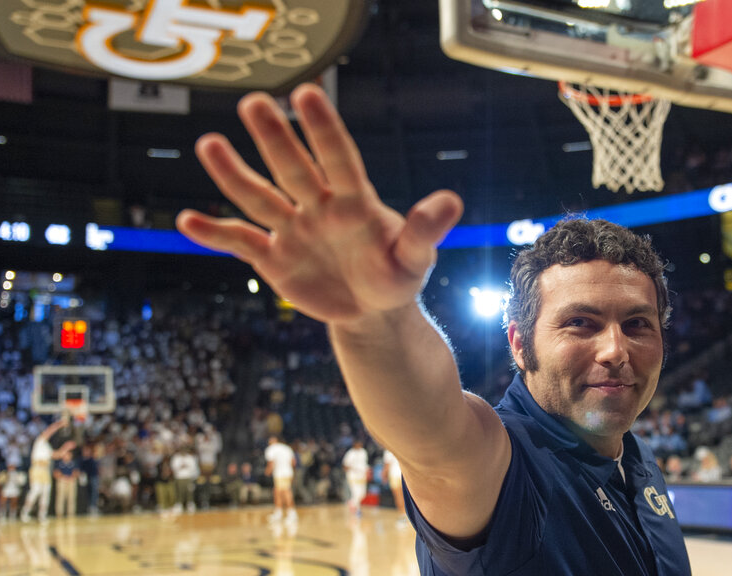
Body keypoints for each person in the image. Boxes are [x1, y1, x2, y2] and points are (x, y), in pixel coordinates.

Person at [176, 84, 691, 574]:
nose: (614, 349)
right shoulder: (503, 464)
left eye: (637, 324)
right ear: (518, 343)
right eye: (580, 323)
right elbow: (434, 435)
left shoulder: (637, 460)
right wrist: (372, 321)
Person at [22, 420, 73, 523]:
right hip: (37, 469)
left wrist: (65, 448)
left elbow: (57, 455)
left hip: (45, 470)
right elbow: (50, 430)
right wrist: (59, 424)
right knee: (35, 491)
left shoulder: (47, 447)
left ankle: (42, 516)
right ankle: (25, 513)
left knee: (46, 493)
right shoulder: (39, 442)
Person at [264, 435, 298, 524]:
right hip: (288, 473)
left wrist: (267, 472)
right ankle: (278, 513)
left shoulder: (271, 449)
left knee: (285, 492)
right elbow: (293, 462)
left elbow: (271, 463)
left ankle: (291, 513)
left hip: (280, 474)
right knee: (278, 492)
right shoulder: (287, 448)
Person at [341, 440, 369, 517]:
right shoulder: (350, 453)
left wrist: (366, 472)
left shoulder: (363, 452)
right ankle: (358, 510)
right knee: (356, 493)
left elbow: (365, 464)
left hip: (362, 476)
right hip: (353, 476)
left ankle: (351, 503)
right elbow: (345, 465)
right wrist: (353, 469)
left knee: (363, 494)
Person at [53, 451, 79, 518]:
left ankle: (71, 514)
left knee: (71, 498)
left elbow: (77, 472)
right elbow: (55, 473)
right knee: (60, 498)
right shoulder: (59, 463)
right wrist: (63, 477)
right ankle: (59, 513)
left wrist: (71, 477)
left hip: (71, 481)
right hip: (62, 481)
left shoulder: (73, 463)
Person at [381, 449, 405, 517]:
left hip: (394, 476)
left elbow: (387, 466)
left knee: (398, 497)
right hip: (404, 476)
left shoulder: (388, 451)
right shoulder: (402, 448)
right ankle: (407, 516)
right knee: (405, 497)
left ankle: (403, 515)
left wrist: (384, 476)